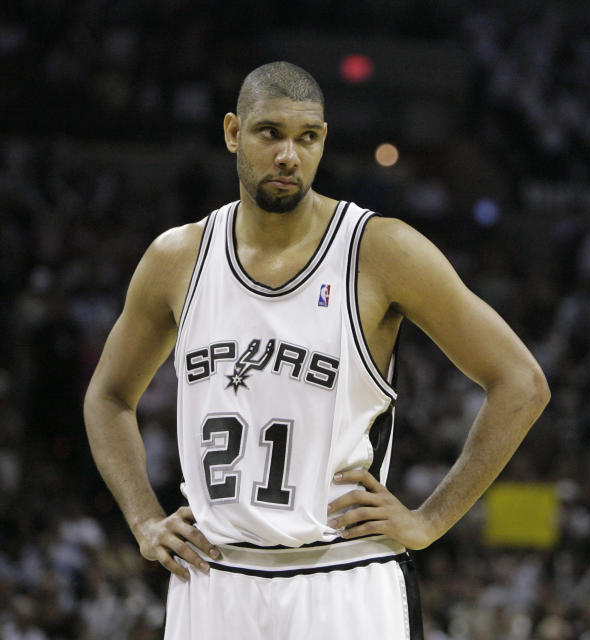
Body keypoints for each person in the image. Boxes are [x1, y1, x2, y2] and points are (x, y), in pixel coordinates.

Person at [83, 61, 550, 640]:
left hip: (343, 577)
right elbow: (107, 397)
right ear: (233, 133)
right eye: (269, 133)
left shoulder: (380, 250)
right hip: (214, 577)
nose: (288, 156)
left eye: (306, 138)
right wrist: (144, 520)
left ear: (323, 141)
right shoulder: (176, 259)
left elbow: (522, 382)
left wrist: (430, 520)